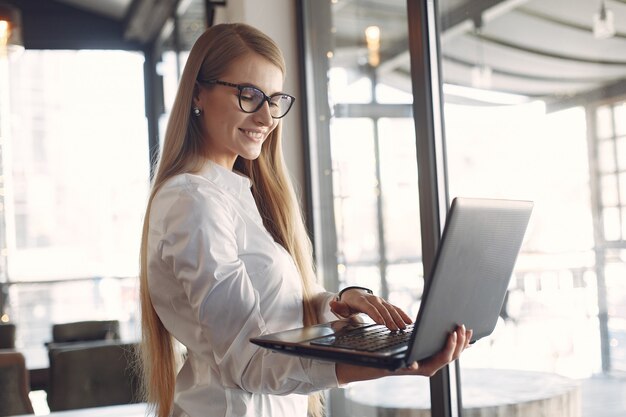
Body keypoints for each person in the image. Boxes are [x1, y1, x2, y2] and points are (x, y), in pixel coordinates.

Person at [138, 22, 472, 417]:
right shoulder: (193, 201)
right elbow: (250, 362)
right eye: (249, 95)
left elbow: (273, 313)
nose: (266, 117)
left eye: (274, 99)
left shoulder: (233, 194)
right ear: (198, 92)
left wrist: (337, 302)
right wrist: (389, 364)